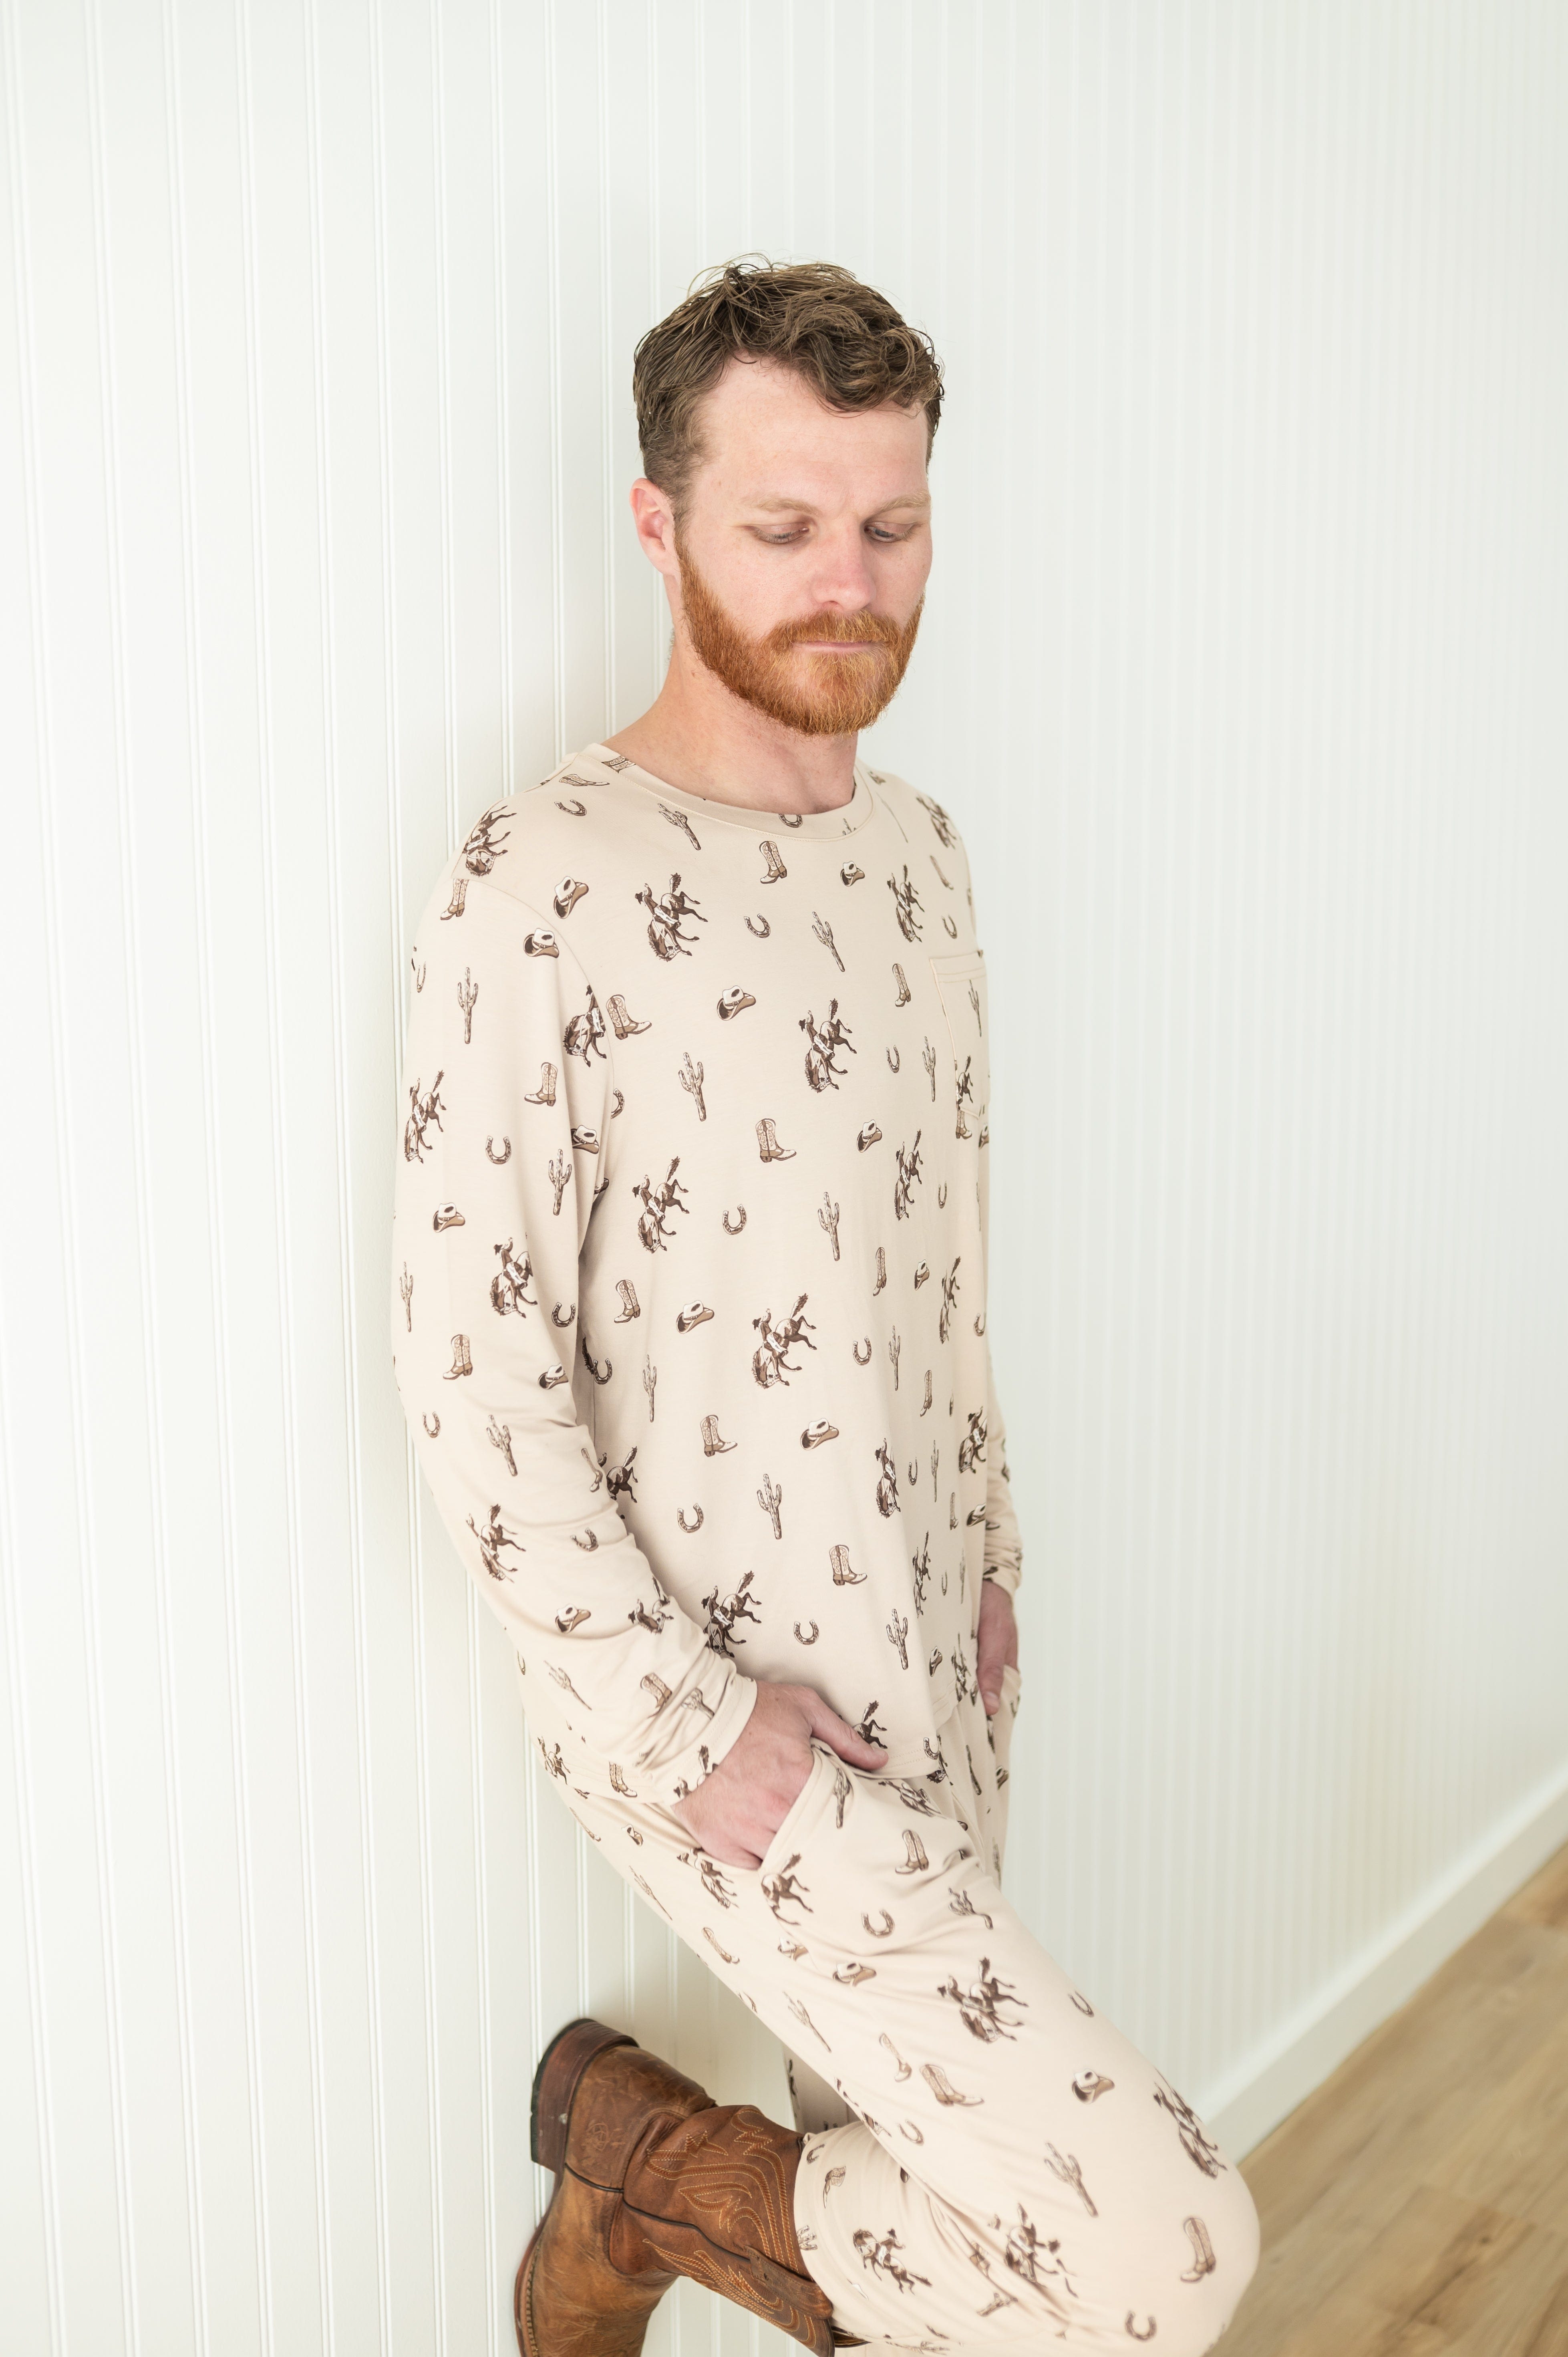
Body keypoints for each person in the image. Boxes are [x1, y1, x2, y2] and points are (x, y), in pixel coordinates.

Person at [390, 257, 1260, 2357]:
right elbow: (471, 1374)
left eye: (893, 523)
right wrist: (693, 1729)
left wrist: (992, 1567)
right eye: (783, 527)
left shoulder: (923, 861)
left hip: (938, 1646)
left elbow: (934, 1266)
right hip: (721, 1721)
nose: (846, 582)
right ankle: (645, 2178)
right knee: (1157, 2257)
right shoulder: (549, 874)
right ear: (661, 520)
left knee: (967, 2256)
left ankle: (642, 2182)